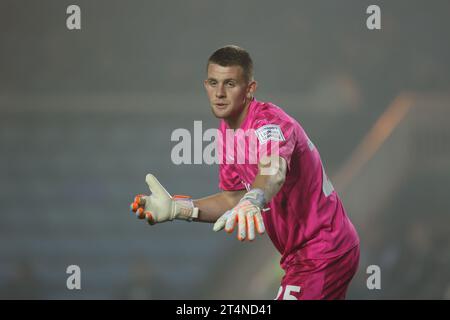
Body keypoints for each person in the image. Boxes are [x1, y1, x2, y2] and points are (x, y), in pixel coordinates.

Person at [130, 45, 360, 300]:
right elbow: (232, 197)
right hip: (304, 255)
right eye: (213, 82)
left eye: (230, 84)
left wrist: (254, 199)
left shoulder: (269, 123)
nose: (219, 93)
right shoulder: (227, 132)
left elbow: (274, 170)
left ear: (250, 89)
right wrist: (178, 209)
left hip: (322, 249)